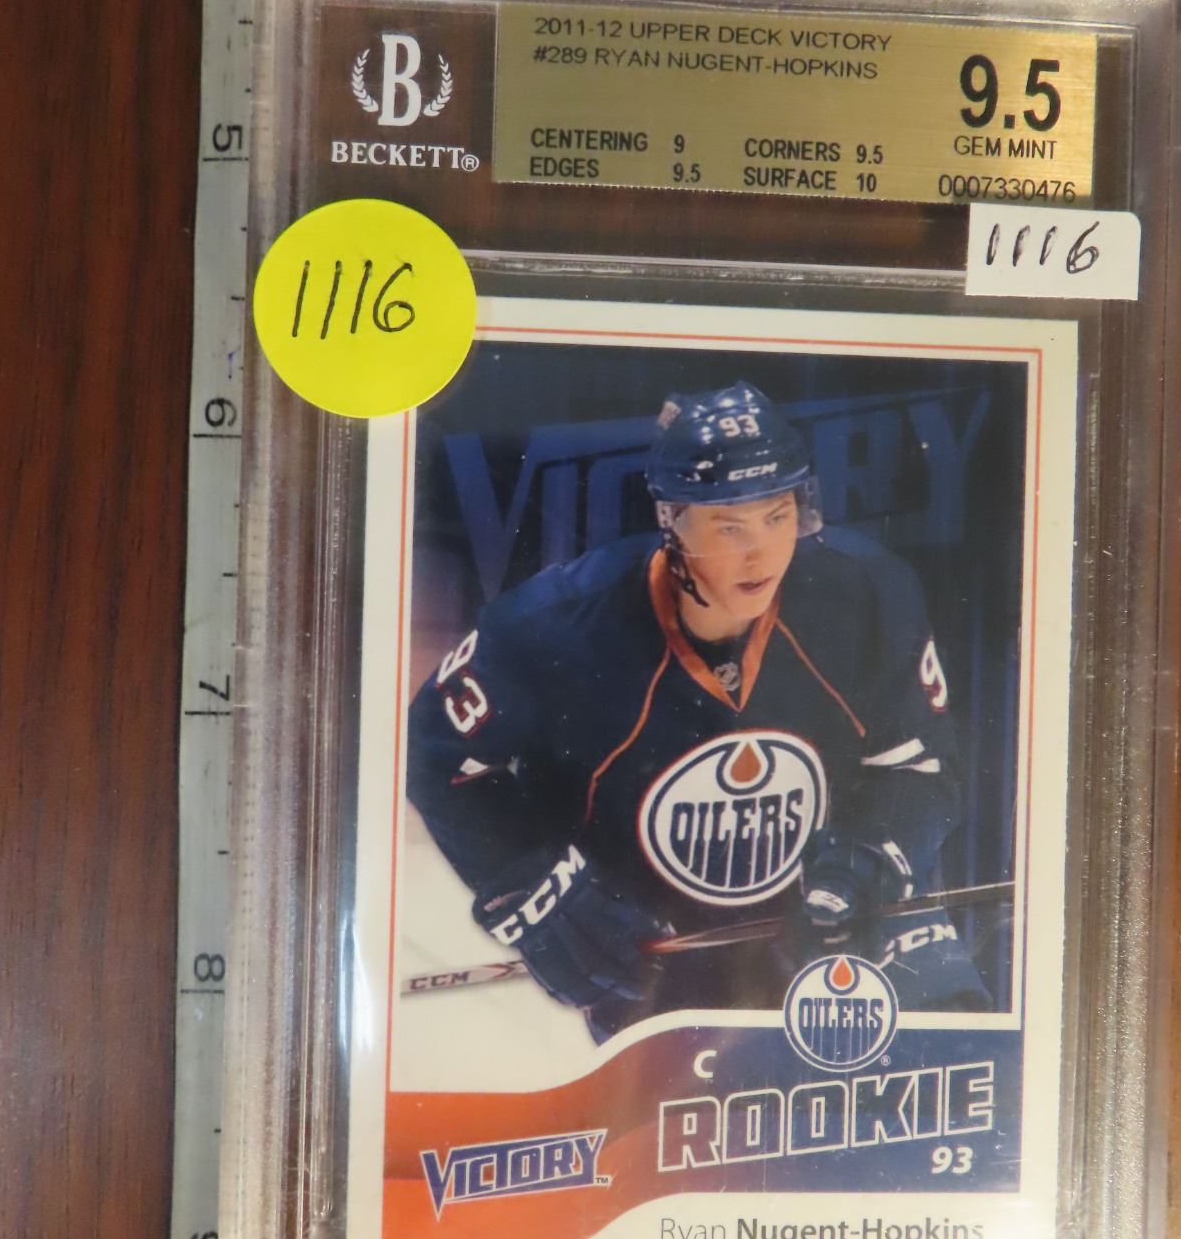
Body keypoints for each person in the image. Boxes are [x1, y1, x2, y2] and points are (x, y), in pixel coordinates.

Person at [406, 382, 992, 1039]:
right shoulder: (555, 626)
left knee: (959, 1055)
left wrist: (872, 857)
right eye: (729, 526)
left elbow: (922, 768)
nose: (761, 552)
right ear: (672, 522)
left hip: (836, 923)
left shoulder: (866, 596)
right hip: (658, 946)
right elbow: (433, 755)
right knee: (706, 1103)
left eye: (778, 515)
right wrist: (533, 885)